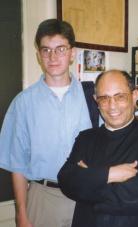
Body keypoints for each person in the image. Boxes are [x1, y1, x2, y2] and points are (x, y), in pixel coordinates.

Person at [0, 19, 92, 227]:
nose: (53, 57)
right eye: (46, 50)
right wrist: (21, 213)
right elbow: (18, 164)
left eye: (60, 49)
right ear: (38, 55)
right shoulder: (23, 103)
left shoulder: (92, 97)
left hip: (85, 197)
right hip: (43, 199)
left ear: (72, 53)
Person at [58, 69, 138, 227]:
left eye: (120, 97)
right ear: (96, 101)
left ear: (134, 95)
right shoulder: (86, 138)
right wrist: (110, 174)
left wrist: (89, 179)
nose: (112, 106)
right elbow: (66, 180)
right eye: (104, 98)